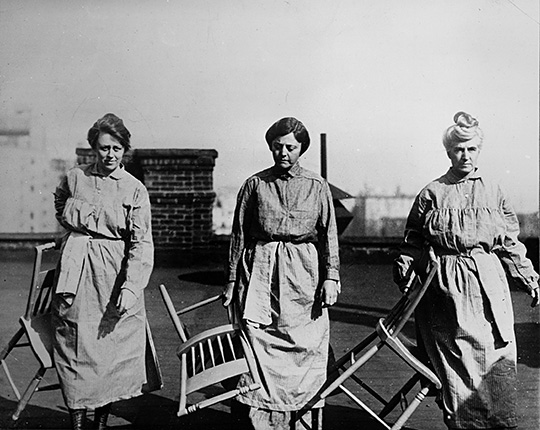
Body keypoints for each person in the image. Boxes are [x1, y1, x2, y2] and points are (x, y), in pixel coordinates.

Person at [393, 111, 539, 430]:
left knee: (497, 355)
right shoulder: (432, 192)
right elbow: (413, 238)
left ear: (479, 151)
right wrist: (405, 264)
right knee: (460, 359)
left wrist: (529, 278)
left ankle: (499, 423)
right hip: (446, 290)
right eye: (459, 149)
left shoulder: (493, 192)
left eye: (472, 149)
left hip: (488, 283)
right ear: (448, 152)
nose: (466, 156)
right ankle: (466, 424)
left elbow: (508, 241)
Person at [223, 117, 340, 429]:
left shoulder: (317, 186)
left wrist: (331, 277)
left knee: (304, 347)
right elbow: (239, 235)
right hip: (259, 273)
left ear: (301, 149)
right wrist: (233, 280)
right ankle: (263, 422)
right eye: (277, 146)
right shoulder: (255, 185)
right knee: (259, 345)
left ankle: (302, 421)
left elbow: (328, 235)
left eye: (290, 147)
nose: (283, 153)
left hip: (304, 277)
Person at [52, 113, 155, 430]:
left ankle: (100, 422)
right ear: (93, 149)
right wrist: (76, 233)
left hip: (113, 273)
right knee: (74, 345)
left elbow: (142, 243)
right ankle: (78, 423)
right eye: (103, 148)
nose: (109, 155)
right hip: (78, 271)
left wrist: (130, 286)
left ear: (125, 150)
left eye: (116, 148)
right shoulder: (75, 178)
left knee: (108, 352)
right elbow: (60, 203)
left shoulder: (134, 189)